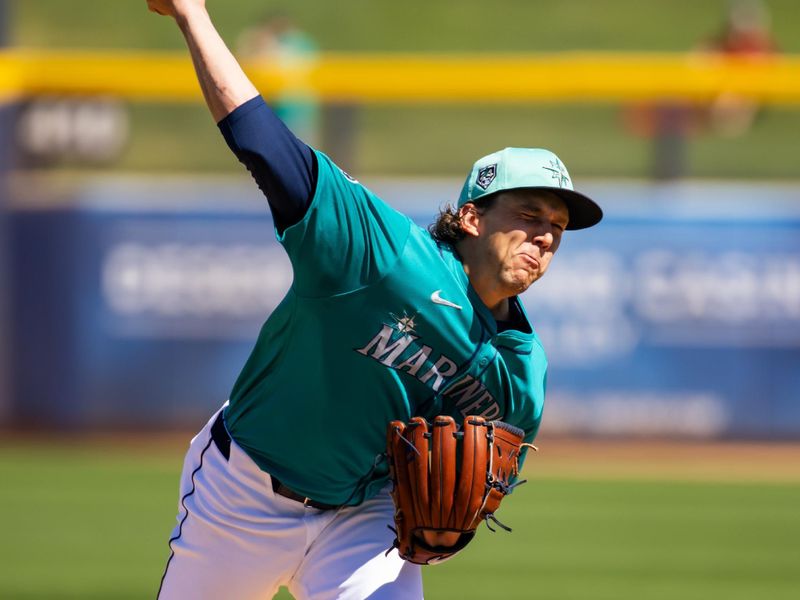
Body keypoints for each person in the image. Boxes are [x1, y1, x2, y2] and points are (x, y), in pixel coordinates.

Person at [147, 1, 602, 598]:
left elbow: (487, 479)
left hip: (365, 522)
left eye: (558, 227)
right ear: (470, 217)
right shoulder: (383, 256)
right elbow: (262, 141)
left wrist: (450, 525)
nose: (545, 235)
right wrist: (192, 17)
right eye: (528, 214)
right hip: (245, 490)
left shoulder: (522, 371)